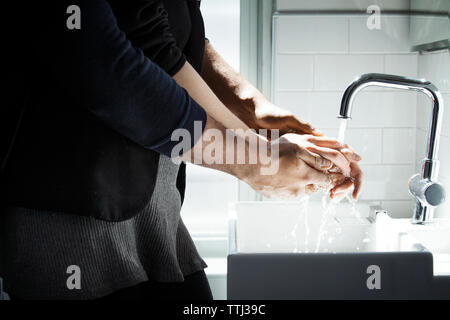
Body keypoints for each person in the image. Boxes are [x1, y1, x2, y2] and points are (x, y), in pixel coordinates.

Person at [0, 0, 362, 300]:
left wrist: (252, 110)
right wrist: (255, 158)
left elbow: (162, 31)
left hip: (157, 211)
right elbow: (101, 58)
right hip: (73, 214)